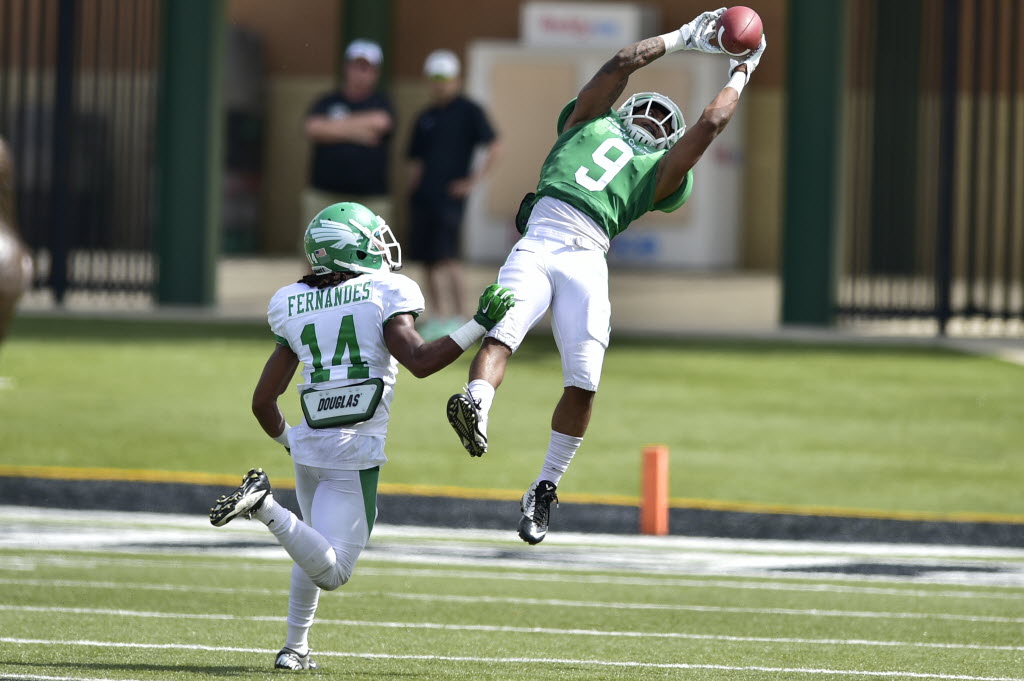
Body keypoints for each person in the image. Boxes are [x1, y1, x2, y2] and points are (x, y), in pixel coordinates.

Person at [445, 9, 767, 544]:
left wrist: (690, 39)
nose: (651, 126)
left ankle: (539, 482)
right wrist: (740, 67)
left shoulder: (598, 131)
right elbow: (698, 115)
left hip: (572, 247)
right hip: (559, 243)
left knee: (574, 373)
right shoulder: (616, 141)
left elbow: (632, 68)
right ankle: (480, 406)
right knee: (509, 331)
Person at [208, 201, 514, 671]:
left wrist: (292, 442)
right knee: (333, 571)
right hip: (353, 450)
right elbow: (421, 362)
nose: (382, 247)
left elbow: (262, 402)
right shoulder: (383, 292)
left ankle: (295, 648)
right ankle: (265, 506)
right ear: (349, 249)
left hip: (307, 446)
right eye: (372, 239)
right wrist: (477, 324)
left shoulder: (292, 300)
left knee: (310, 548)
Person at [406, 49, 501, 338]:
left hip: (450, 197)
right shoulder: (425, 116)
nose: (440, 84)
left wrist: (472, 182)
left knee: (449, 256)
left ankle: (462, 316)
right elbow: (415, 159)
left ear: (456, 80)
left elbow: (495, 146)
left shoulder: (469, 111)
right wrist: (412, 190)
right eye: (435, 78)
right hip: (424, 197)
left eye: (445, 78)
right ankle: (438, 316)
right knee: (428, 258)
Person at [303, 39, 394, 227]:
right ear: (346, 67)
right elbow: (313, 128)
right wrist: (360, 133)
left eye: (366, 68)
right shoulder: (326, 101)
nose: (361, 73)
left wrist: (334, 128)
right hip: (324, 194)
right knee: (317, 251)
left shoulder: (382, 103)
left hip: (371, 198)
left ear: (376, 73)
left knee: (371, 253)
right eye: (356, 66)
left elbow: (381, 122)